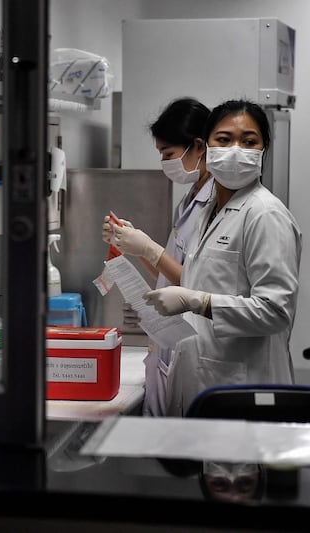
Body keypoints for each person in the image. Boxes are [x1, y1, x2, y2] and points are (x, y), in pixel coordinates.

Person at [142, 99, 302, 417]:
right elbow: (207, 279)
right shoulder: (210, 211)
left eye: (249, 141)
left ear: (264, 149)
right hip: (207, 381)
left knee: (236, 465)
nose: (235, 150)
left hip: (244, 385)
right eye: (224, 139)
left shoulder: (265, 214)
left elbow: (275, 311)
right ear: (208, 147)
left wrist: (199, 301)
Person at [101, 97, 215, 416]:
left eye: (168, 154)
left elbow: (196, 285)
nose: (165, 164)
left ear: (198, 146)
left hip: (197, 351)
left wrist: (149, 247)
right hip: (172, 347)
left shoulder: (216, 206)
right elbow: (169, 278)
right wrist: (133, 248)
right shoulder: (190, 201)